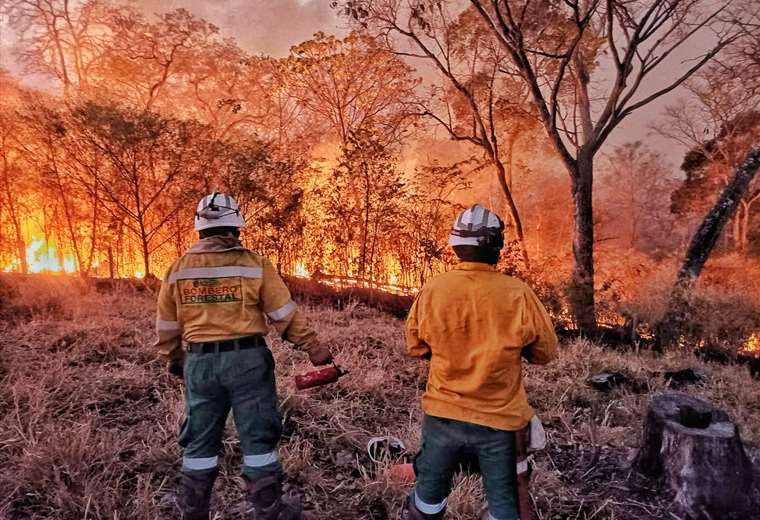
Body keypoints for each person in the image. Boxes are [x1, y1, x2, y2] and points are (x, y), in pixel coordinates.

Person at [154, 192, 332, 520]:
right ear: (236, 226)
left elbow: (167, 325)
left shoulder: (177, 270)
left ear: (199, 229)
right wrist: (314, 349)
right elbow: (284, 315)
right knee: (259, 435)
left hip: (200, 364)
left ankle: (194, 511)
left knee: (199, 441)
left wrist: (174, 359)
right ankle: (268, 511)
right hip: (248, 362)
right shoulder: (254, 264)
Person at [402, 204, 559, 520]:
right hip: (500, 422)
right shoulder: (519, 294)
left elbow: (416, 346)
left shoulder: (434, 289)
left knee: (428, 496)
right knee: (504, 505)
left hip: (442, 417)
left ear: (455, 246)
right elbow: (545, 353)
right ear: (497, 248)